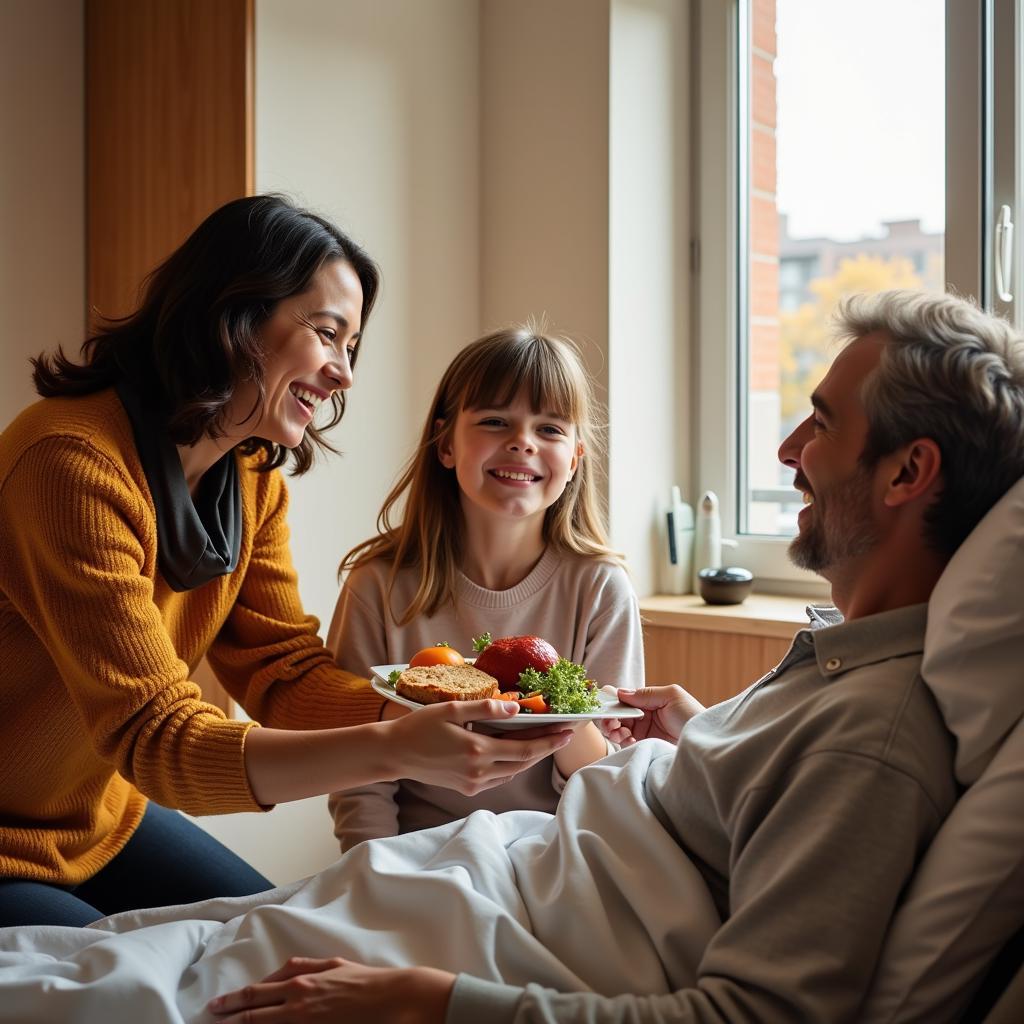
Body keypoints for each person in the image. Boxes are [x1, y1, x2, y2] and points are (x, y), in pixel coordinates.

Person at [202, 289, 1024, 1023]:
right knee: (170, 940)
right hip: (494, 867)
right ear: (445, 443)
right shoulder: (838, 668)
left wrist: (430, 1001)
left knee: (157, 977)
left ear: (907, 472)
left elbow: (754, 1006)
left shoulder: (869, 740)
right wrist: (705, 742)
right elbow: (758, 810)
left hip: (516, 901)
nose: (785, 449)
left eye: (823, 421)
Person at [0, 195, 573, 929]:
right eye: (327, 333)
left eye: (351, 345)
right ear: (231, 314)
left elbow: (282, 669)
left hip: (98, 820)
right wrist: (394, 745)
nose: (344, 374)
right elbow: (157, 738)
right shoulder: (71, 464)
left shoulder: (250, 475)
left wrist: (443, 718)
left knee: (278, 943)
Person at [326, 325, 645, 851]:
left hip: (547, 852)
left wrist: (560, 716)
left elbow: (608, 779)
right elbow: (361, 774)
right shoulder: (377, 585)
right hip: (415, 854)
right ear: (445, 444)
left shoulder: (601, 589)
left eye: (549, 429)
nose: (522, 441)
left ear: (575, 458)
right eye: (495, 421)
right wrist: (369, 875)